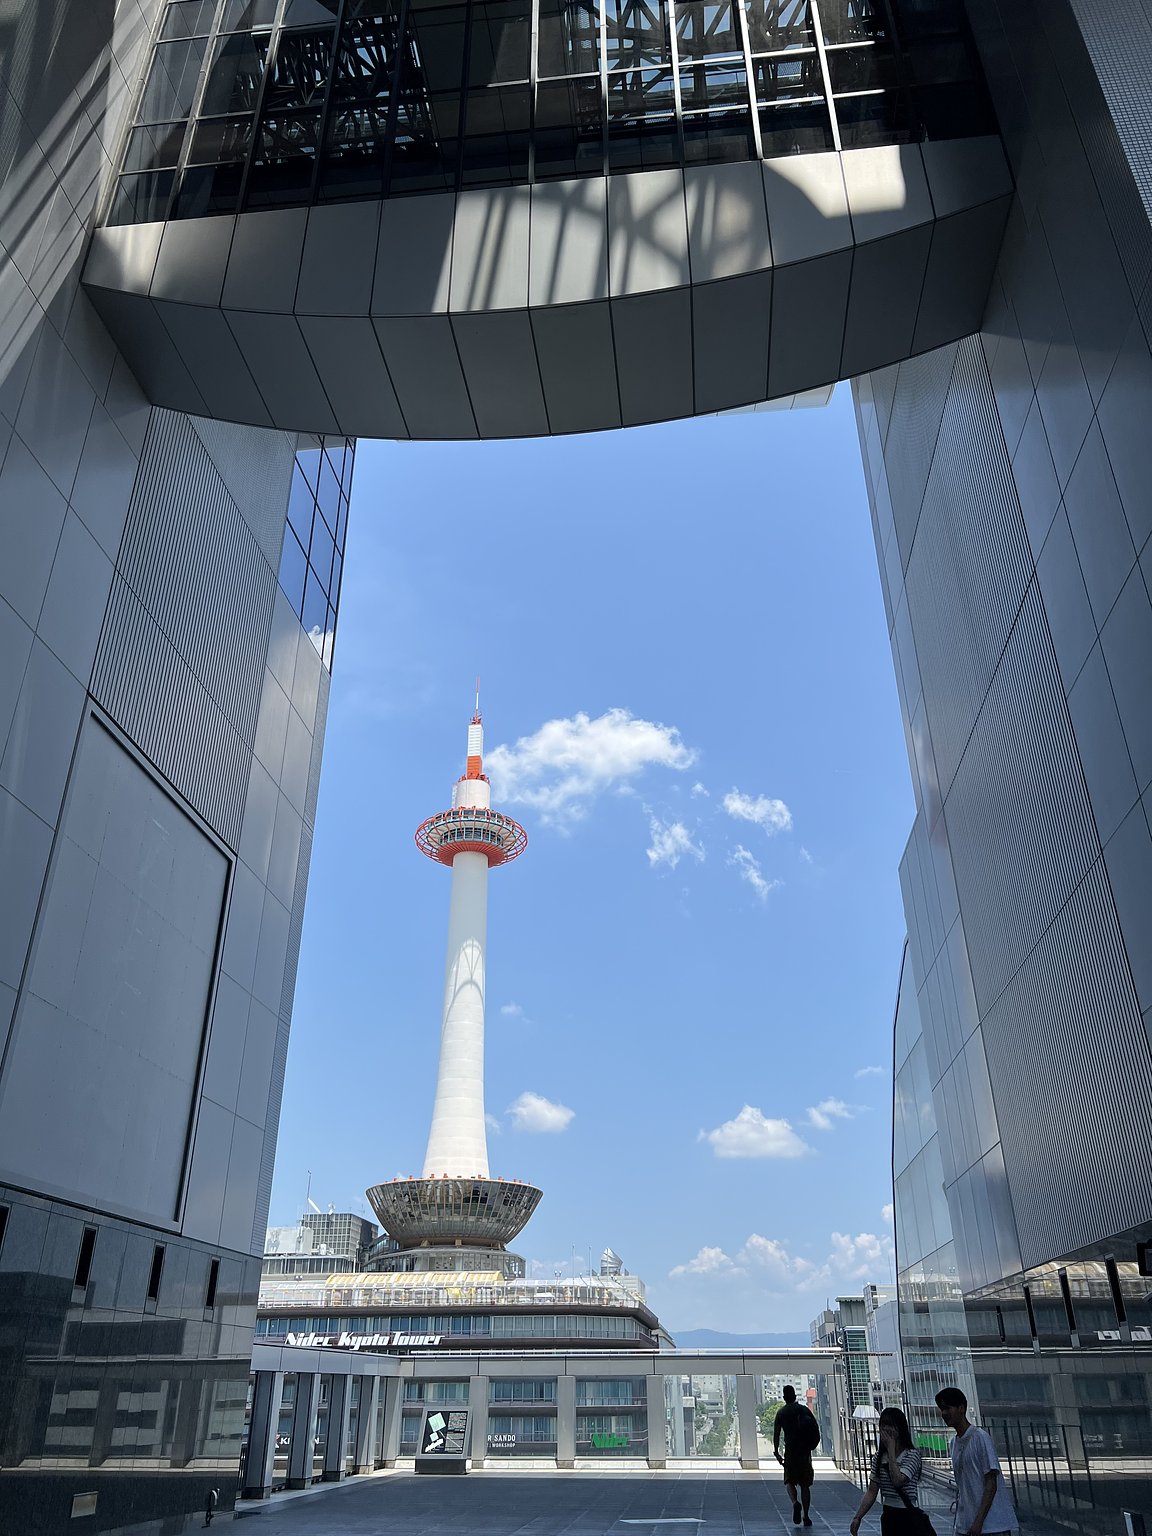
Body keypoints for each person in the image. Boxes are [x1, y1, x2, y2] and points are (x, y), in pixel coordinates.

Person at [935, 1388, 1018, 1536]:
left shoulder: (980, 1438)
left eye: (948, 1408)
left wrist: (978, 1522)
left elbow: (991, 1483)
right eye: (942, 1409)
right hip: (965, 1524)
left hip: (991, 1526)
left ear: (961, 1408)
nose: (944, 1413)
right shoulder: (954, 1443)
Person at [849, 1407, 923, 1536]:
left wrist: (891, 1452)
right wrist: (858, 1517)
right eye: (883, 1426)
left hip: (907, 1514)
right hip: (889, 1513)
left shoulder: (912, 1455)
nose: (886, 1430)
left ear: (900, 1428)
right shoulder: (879, 1457)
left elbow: (898, 1480)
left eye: (890, 1425)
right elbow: (872, 1491)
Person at [773, 1384, 818, 1527]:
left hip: (791, 1452)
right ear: (794, 1396)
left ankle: (794, 1502)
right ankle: (806, 1516)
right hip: (804, 1452)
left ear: (784, 1397)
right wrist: (812, 1445)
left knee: (789, 1481)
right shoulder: (804, 1410)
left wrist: (777, 1452)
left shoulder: (781, 1413)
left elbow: (776, 1434)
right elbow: (815, 1428)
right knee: (805, 1485)